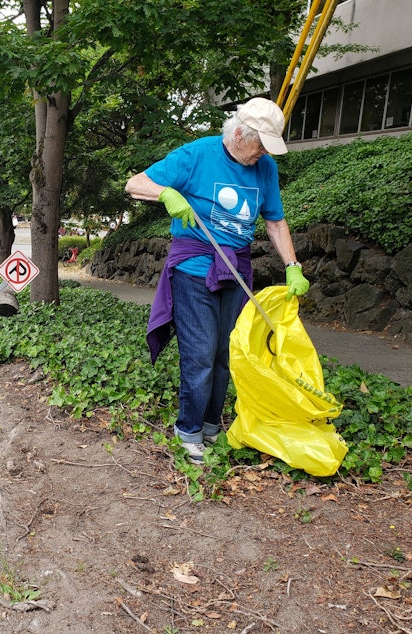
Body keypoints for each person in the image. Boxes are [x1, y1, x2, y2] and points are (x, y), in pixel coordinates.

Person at [124, 97, 310, 465]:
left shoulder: (265, 167)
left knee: (227, 353)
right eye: (260, 144)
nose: (262, 154)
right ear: (239, 133)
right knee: (201, 354)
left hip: (237, 270)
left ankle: (211, 425)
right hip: (194, 269)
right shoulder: (197, 154)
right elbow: (134, 183)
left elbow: (274, 220)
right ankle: (188, 430)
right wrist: (167, 193)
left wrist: (292, 264)